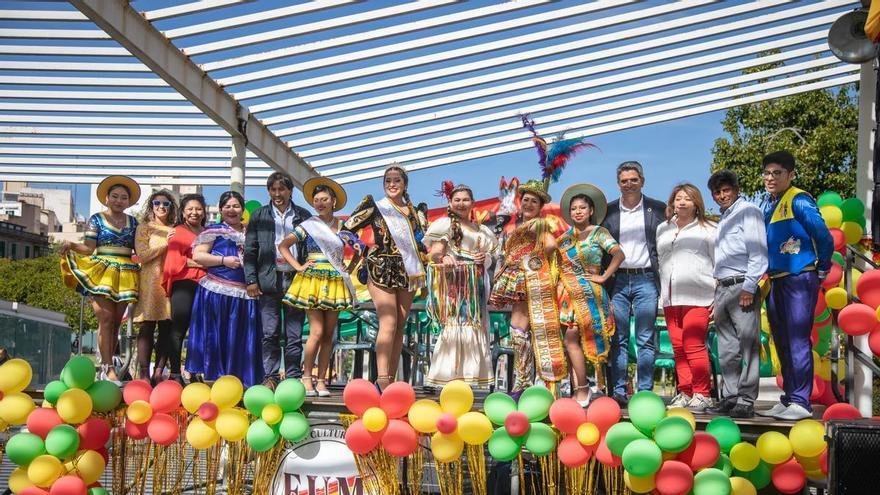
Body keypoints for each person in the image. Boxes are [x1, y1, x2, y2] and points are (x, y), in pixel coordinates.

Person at [759, 151, 833, 421]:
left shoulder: (799, 199)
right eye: (767, 173)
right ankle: (790, 397)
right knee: (782, 342)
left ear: (790, 175)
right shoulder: (769, 204)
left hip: (800, 276)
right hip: (776, 280)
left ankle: (802, 402)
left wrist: (822, 266)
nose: (770, 178)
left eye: (777, 173)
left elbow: (823, 235)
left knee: (798, 339)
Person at [344, 164, 428, 390]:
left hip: (407, 271)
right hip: (380, 268)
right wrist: (363, 249)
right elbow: (345, 230)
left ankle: (391, 380)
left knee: (400, 325)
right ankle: (381, 379)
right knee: (388, 322)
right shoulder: (375, 206)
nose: (392, 184)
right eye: (388, 181)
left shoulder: (416, 212)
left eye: (396, 180)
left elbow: (423, 243)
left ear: (405, 184)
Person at [281, 177, 364, 397]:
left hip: (335, 280)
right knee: (316, 332)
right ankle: (306, 377)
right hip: (312, 280)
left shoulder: (343, 226)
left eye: (324, 199)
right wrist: (298, 266)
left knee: (329, 334)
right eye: (316, 200)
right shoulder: (309, 225)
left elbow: (360, 249)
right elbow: (283, 246)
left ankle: (321, 380)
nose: (320, 203)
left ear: (333, 201)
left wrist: (349, 268)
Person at [61, 175, 141, 383]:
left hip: (126, 272)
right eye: (115, 196)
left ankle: (110, 361)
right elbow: (89, 248)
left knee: (116, 322)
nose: (119, 200)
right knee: (104, 318)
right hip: (102, 270)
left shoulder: (134, 222)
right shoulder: (96, 219)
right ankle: (107, 367)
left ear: (129, 201)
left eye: (124, 197)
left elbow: (139, 249)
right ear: (106, 198)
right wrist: (71, 246)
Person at [489, 179, 565, 396]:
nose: (529, 204)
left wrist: (532, 264)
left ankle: (526, 383)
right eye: (526, 200)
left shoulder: (539, 225)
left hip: (530, 281)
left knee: (526, 331)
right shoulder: (520, 226)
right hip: (520, 280)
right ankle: (525, 382)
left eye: (534, 201)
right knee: (520, 332)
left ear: (541, 207)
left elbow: (550, 245)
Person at [601, 162, 667, 406]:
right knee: (617, 338)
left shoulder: (658, 209)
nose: (628, 184)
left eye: (633, 180)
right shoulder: (607, 211)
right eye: (624, 181)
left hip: (646, 279)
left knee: (645, 339)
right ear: (618, 183)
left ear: (642, 181)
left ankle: (645, 392)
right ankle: (619, 391)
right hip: (617, 281)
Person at [423, 182, 501, 387]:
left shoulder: (482, 230)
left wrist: (485, 258)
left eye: (465, 199)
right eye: (457, 199)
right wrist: (444, 259)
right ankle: (450, 379)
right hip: (454, 286)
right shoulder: (445, 225)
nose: (461, 203)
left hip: (476, 286)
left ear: (473, 203)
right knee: (455, 325)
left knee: (474, 325)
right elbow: (434, 254)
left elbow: (493, 256)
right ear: (450, 202)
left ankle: (469, 379)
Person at [705, 171, 768, 418]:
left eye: (726, 190)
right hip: (722, 287)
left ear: (736, 189)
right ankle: (730, 396)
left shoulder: (748, 211)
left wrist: (749, 287)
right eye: (717, 192)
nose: (722, 196)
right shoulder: (723, 219)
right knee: (727, 348)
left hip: (742, 285)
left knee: (748, 344)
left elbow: (758, 252)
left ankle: (746, 399)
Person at [556, 184, 625, 406]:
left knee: (579, 338)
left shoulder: (599, 232)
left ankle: (586, 387)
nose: (578, 211)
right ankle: (579, 388)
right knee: (570, 339)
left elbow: (619, 253)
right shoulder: (564, 239)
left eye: (582, 207)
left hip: (590, 292)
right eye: (574, 208)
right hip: (567, 293)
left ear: (591, 210)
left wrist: (604, 276)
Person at [187, 191, 263, 386]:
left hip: (245, 296)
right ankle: (215, 381)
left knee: (241, 341)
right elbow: (198, 255)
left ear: (243, 209)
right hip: (217, 294)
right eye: (227, 206)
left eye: (236, 206)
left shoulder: (251, 232)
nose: (232, 210)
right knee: (218, 338)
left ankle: (241, 384)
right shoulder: (214, 231)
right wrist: (223, 261)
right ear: (220, 210)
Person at [244, 172, 312, 389]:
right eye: (273, 190)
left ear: (290, 191)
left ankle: (292, 377)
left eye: (281, 189)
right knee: (269, 332)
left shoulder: (303, 215)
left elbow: (310, 248)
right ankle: (271, 376)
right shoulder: (260, 216)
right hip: (268, 281)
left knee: (294, 333)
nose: (277, 194)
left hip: (296, 280)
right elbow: (250, 249)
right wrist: (251, 280)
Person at [656, 184, 717, 412]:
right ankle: (685, 391)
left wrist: (718, 295)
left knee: (693, 344)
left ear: (696, 203)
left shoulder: (709, 228)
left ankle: (702, 393)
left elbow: (718, 262)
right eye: (678, 198)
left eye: (687, 199)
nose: (682, 202)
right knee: (678, 347)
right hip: (671, 297)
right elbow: (662, 261)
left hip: (699, 295)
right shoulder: (663, 228)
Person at [162, 193, 207, 385]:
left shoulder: (209, 231)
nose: (194, 213)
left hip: (205, 286)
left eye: (198, 209)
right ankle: (174, 372)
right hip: (185, 284)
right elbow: (173, 262)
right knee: (179, 329)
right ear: (183, 212)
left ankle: (194, 370)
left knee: (200, 331)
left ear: (204, 211)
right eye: (190, 209)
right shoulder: (179, 231)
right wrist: (202, 263)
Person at [133, 189, 176, 383]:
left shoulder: (176, 228)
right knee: (147, 327)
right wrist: (166, 245)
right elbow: (143, 255)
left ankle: (159, 371)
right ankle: (144, 373)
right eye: (157, 203)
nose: (161, 207)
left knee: (167, 328)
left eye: (166, 204)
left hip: (170, 280)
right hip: (149, 281)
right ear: (151, 206)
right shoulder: (144, 227)